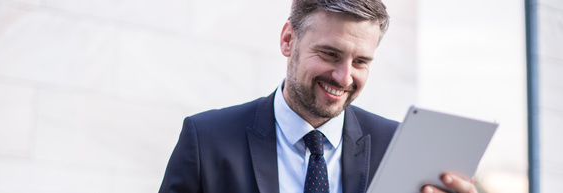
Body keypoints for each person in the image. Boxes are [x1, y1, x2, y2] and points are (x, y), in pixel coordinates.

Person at [159, 0, 479, 193]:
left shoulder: (399, 148)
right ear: (288, 40)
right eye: (329, 54)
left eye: (361, 62)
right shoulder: (207, 140)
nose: (344, 76)